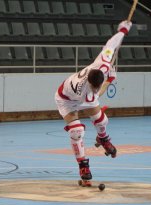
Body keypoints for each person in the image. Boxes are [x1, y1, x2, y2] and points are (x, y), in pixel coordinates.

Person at [54, 20, 132, 186]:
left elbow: (111, 45)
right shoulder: (81, 89)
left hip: (85, 97)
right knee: (76, 131)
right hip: (67, 100)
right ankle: (83, 165)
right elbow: (99, 93)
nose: (97, 89)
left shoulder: (102, 65)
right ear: (91, 84)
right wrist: (110, 81)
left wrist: (123, 30)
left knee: (102, 120)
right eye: (95, 87)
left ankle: (103, 138)